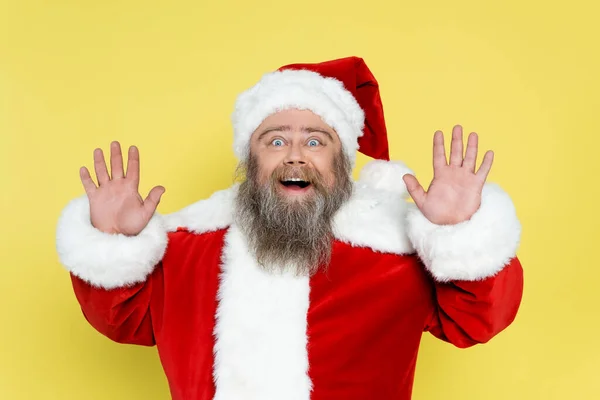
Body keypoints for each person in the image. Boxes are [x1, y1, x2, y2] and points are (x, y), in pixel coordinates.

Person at [55, 56, 524, 400]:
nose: (294, 155)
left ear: (341, 162)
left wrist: (458, 235)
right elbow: (123, 322)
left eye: (315, 141)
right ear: (251, 160)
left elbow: (477, 321)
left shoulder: (395, 254)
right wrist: (114, 244)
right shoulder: (187, 247)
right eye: (275, 140)